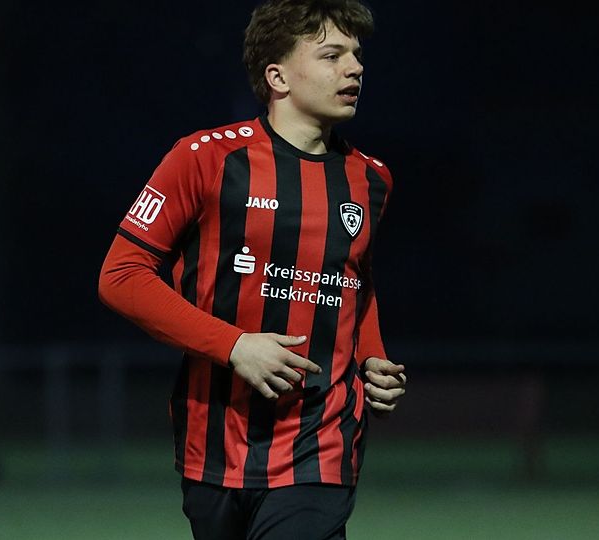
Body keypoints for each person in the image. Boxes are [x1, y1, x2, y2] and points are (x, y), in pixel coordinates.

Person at [98, 1, 406, 538]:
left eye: (356, 55)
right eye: (332, 55)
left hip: (320, 443)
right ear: (277, 77)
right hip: (214, 442)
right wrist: (235, 345)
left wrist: (372, 356)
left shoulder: (371, 179)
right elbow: (121, 276)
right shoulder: (204, 157)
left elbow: (355, 281)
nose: (355, 68)